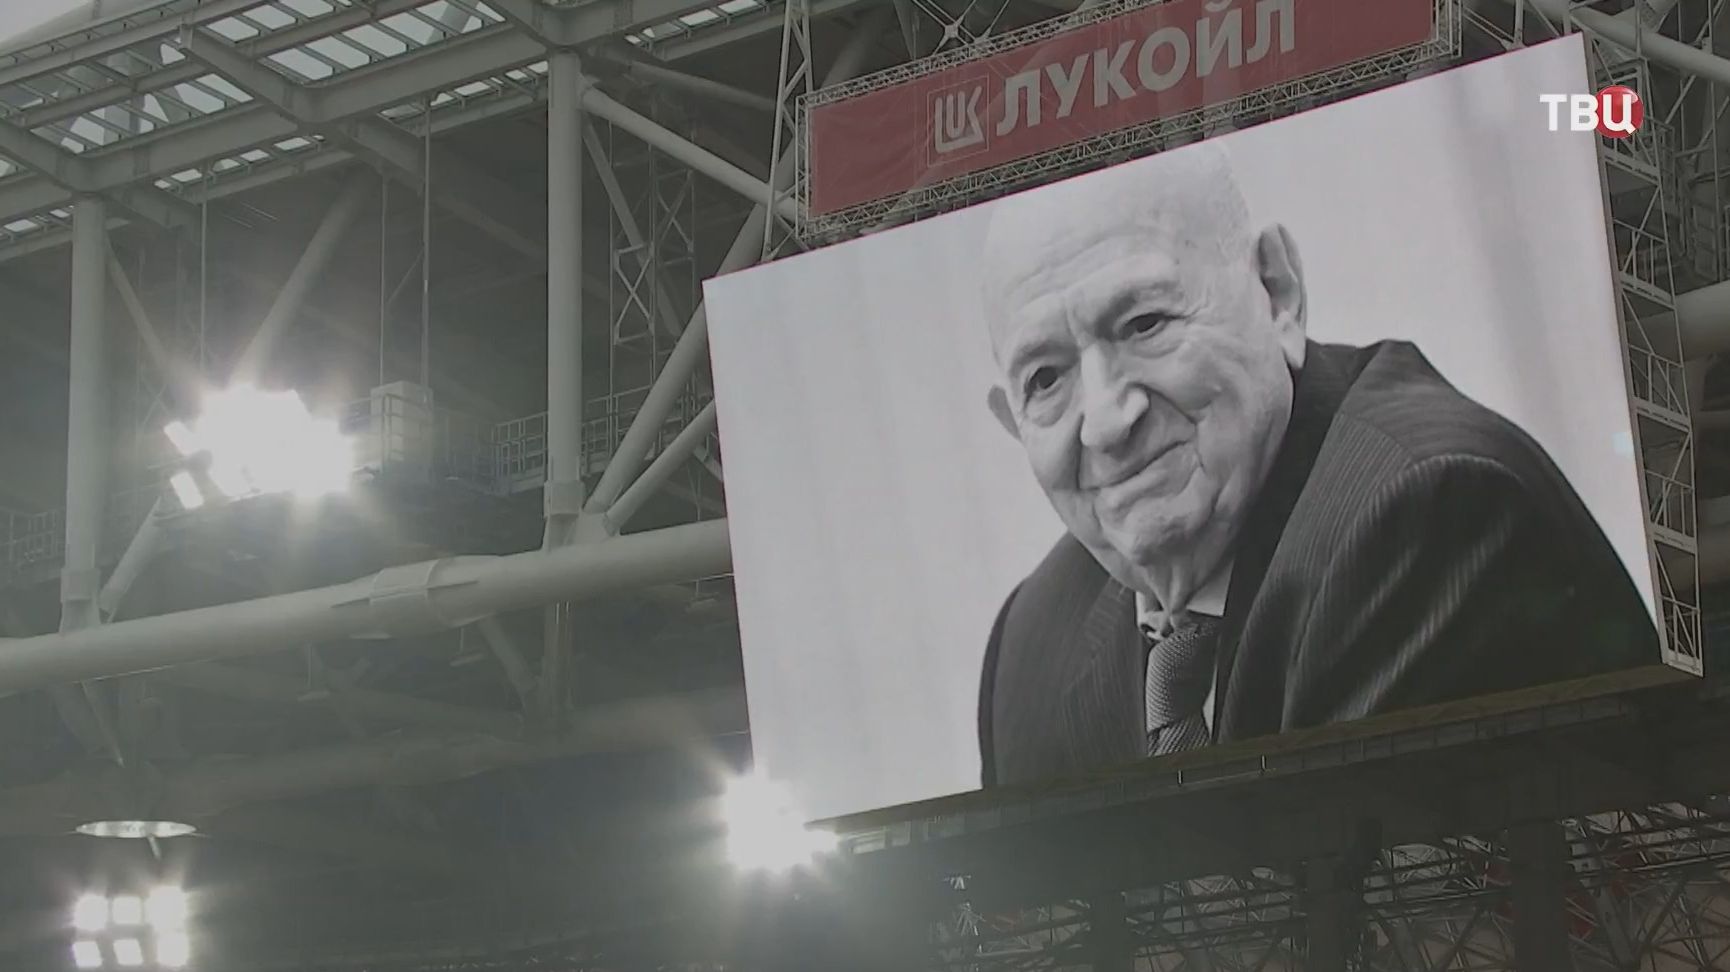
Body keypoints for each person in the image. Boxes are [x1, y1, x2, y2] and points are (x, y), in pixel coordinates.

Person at [974, 142, 1659, 789]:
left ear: (1277, 293)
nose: (1105, 422)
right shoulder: (1027, 651)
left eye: (1145, 324)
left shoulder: (1429, 513)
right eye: (1045, 378)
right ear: (1013, 422)